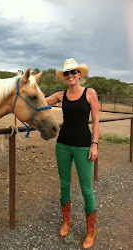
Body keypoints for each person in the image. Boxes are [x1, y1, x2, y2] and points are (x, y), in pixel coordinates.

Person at [46, 58, 99, 249]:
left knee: (86, 189)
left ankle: (90, 231)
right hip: (62, 145)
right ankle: (66, 220)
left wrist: (94, 144)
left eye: (73, 72)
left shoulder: (90, 93)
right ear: (64, 77)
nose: (70, 75)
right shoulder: (61, 95)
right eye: (67, 73)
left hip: (84, 146)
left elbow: (96, 121)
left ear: (79, 74)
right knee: (64, 184)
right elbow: (39, 101)